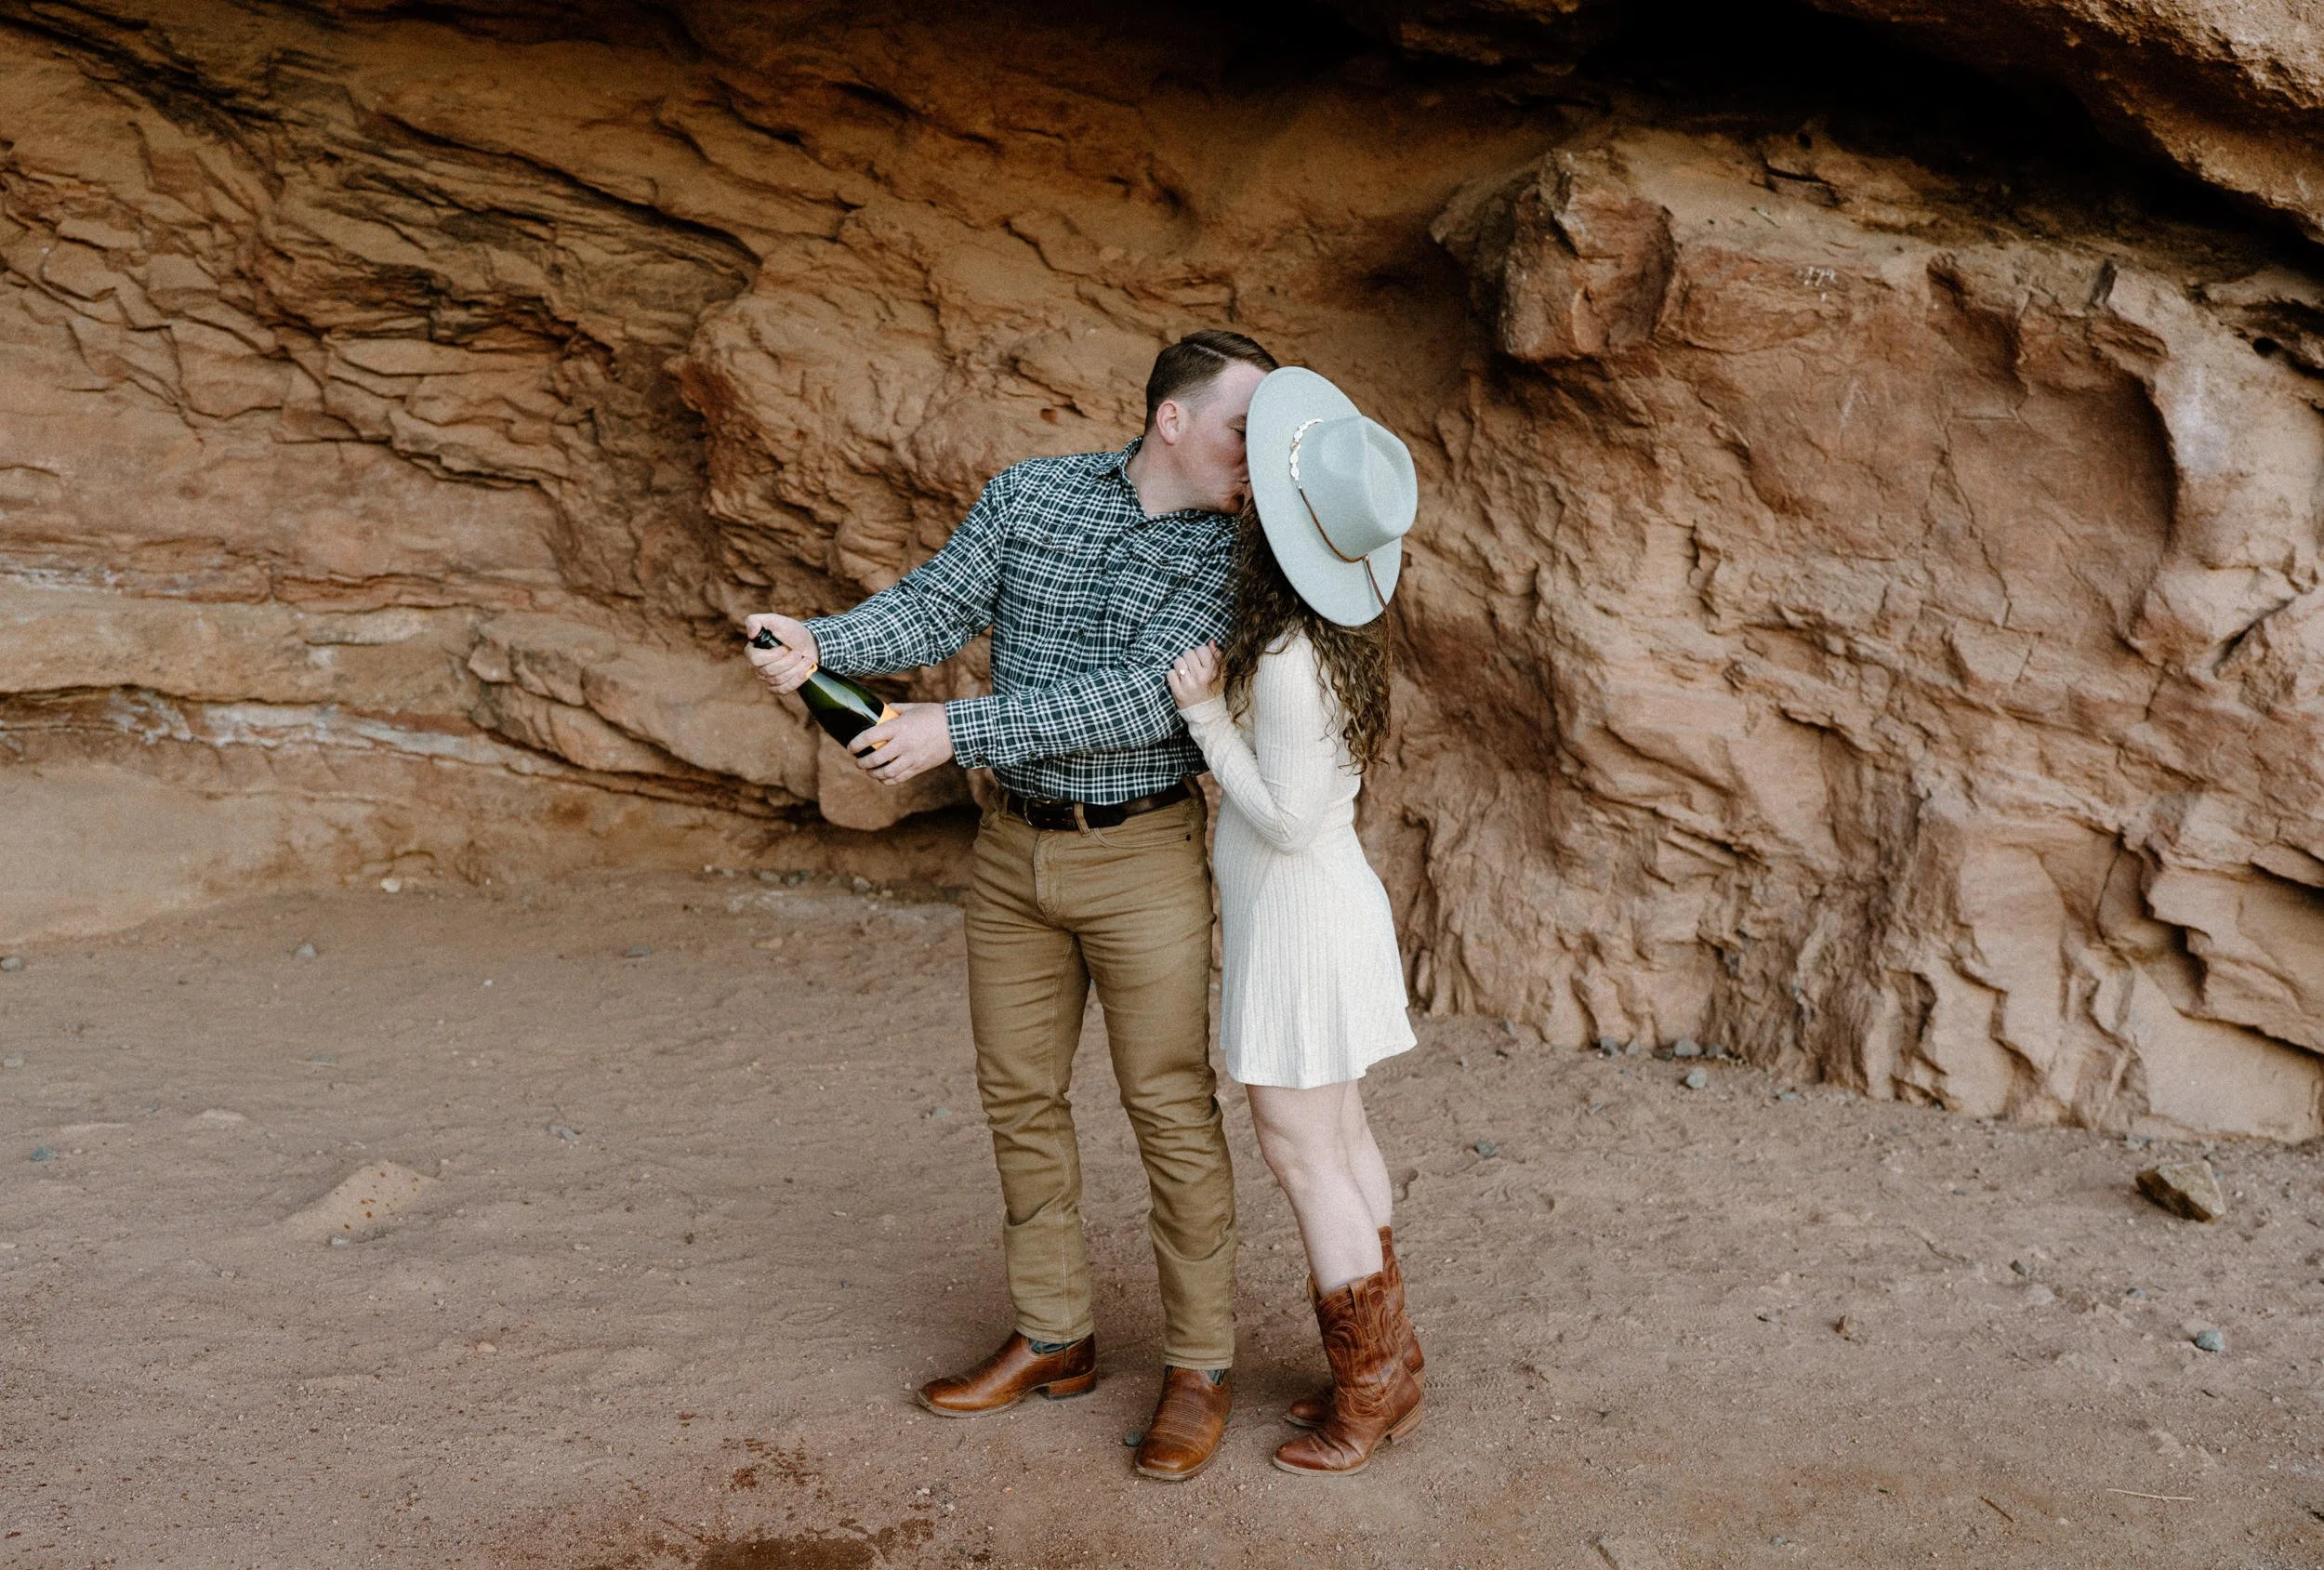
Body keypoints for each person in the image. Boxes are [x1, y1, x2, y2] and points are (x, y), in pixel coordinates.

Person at [744, 330, 1279, 1484]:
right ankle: (1054, 1337)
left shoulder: (1240, 555)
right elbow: (937, 608)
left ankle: (1199, 1365)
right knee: (1018, 1098)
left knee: (1169, 1109)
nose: (1262, 454)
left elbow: (1137, 702)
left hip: (1140, 852)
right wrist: (820, 641)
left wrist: (952, 731)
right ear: (1173, 420)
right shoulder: (1031, 494)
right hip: (1010, 853)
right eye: (1246, 426)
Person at [1164, 364, 1422, 1477]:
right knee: (1341, 1138)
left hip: (1300, 920)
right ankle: (1389, 1366)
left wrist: (1202, 716)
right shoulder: (1329, 633)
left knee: (1303, 1151)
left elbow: (1286, 814)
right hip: (1324, 911)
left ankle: (1367, 1393)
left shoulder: (1282, 662)